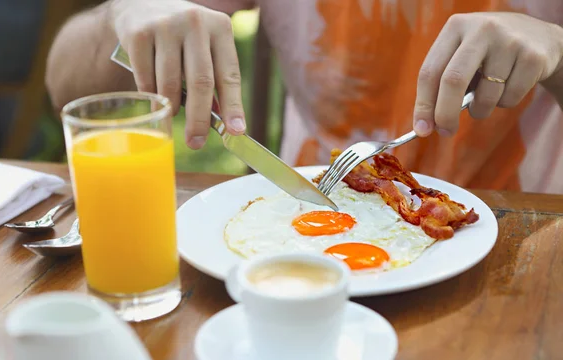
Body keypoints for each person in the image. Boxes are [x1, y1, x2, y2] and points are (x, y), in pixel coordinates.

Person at [46, 0, 563, 193]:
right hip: (304, 224)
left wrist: (557, 49)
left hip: (522, 227)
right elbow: (67, 87)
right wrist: (123, 13)